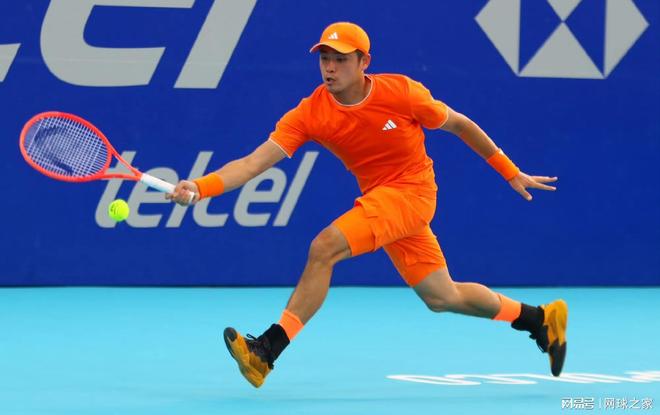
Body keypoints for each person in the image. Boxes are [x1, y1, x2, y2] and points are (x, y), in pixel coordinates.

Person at [167, 22, 568, 388]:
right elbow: (253, 163)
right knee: (442, 296)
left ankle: (267, 351)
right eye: (325, 58)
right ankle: (539, 319)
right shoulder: (310, 113)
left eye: (341, 59)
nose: (330, 68)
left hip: (413, 193)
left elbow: (460, 125)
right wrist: (200, 188)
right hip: (383, 200)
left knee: (324, 247)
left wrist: (509, 171)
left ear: (364, 62)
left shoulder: (402, 93)